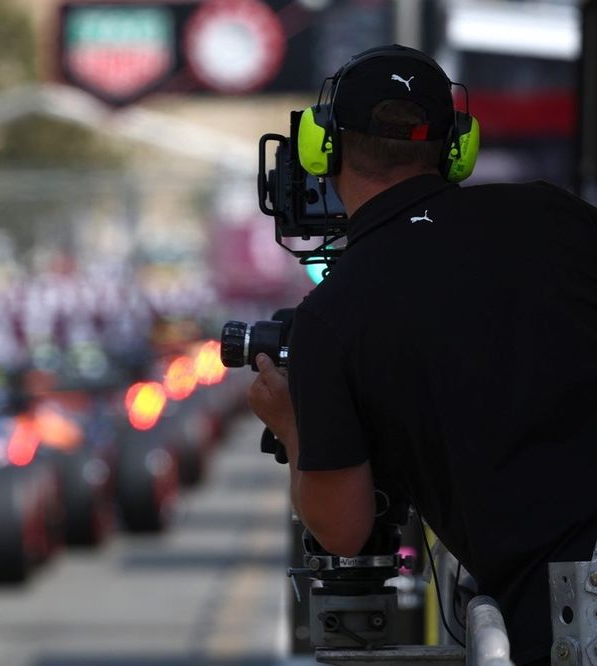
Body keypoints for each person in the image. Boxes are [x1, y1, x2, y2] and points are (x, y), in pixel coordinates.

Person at [247, 44, 597, 665]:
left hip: (561, 621)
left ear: (320, 147)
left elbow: (345, 529)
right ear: (456, 147)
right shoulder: (558, 214)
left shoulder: (334, 314)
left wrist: (293, 422)